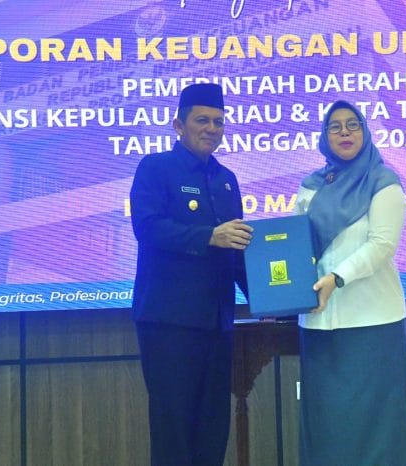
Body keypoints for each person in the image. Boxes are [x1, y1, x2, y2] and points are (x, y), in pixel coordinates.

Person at [129, 82, 253, 466]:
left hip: (217, 323)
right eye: (202, 120)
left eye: (218, 121)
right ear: (178, 125)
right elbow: (147, 228)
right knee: (174, 429)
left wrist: (275, 298)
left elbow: (235, 252)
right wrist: (208, 236)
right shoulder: (155, 168)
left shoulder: (227, 179)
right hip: (169, 323)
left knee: (213, 427)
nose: (211, 129)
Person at [295, 100, 406, 466]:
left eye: (353, 124)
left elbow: (382, 245)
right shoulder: (310, 187)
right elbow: (297, 247)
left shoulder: (384, 182)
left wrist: (337, 278)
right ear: (325, 136)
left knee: (378, 429)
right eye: (335, 126)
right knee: (328, 428)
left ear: (365, 132)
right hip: (320, 323)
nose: (345, 132)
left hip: (373, 322)